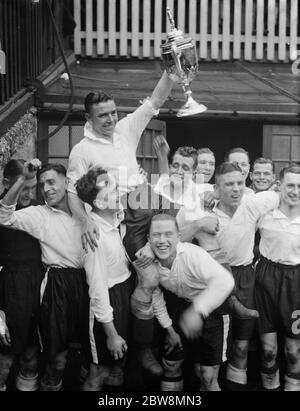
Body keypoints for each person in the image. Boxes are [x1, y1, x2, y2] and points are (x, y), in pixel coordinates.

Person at [0, 162, 89, 391]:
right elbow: (4, 216)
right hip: (47, 289)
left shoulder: (87, 211)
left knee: (87, 361)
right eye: (42, 184)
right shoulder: (40, 215)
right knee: (43, 359)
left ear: (66, 183)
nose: (45, 189)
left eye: (51, 182)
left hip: (88, 286)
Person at [219, 164, 300, 391]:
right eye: (290, 185)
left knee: (293, 352)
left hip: (296, 284)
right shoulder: (263, 211)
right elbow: (235, 219)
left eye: (299, 186)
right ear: (279, 186)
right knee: (268, 351)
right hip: (265, 279)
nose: (295, 191)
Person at [145, 213, 235, 391]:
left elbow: (226, 282)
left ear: (179, 237)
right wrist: (170, 329)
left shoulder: (192, 255)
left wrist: (198, 310)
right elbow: (155, 298)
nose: (162, 240)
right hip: (179, 307)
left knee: (207, 376)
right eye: (156, 235)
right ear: (148, 239)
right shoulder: (147, 262)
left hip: (211, 307)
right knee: (171, 365)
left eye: (168, 234)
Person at [75, 167, 135, 391]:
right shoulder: (94, 236)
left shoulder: (118, 219)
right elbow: (98, 289)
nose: (118, 190)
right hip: (105, 304)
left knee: (117, 366)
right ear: (99, 203)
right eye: (110, 188)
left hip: (124, 294)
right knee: (98, 372)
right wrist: (111, 334)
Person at [0, 159, 43, 391]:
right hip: (7, 293)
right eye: (22, 187)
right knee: (4, 362)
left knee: (31, 358)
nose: (28, 193)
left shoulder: (39, 210)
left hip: (38, 290)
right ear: (7, 183)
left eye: (31, 187)